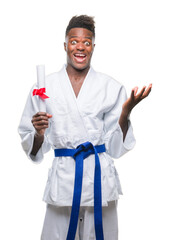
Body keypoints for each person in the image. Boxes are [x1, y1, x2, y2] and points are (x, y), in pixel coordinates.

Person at [18, 15, 152, 240]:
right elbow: (33, 146)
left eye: (87, 42)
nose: (80, 47)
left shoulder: (110, 87)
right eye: (74, 41)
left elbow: (115, 147)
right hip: (63, 181)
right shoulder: (43, 87)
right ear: (65, 45)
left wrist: (125, 113)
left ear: (93, 47)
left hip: (98, 181)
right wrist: (39, 133)